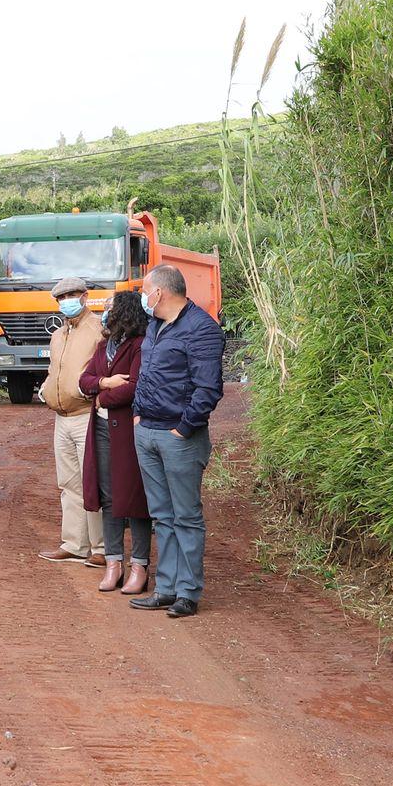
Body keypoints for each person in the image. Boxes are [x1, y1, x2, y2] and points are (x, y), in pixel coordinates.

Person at [129, 264, 225, 619]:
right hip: (148, 431)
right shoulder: (155, 324)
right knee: (162, 516)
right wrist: (139, 414)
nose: (143, 295)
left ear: (161, 292)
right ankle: (165, 588)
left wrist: (184, 428)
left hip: (179, 437)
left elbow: (208, 388)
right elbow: (148, 375)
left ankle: (188, 592)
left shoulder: (202, 330)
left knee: (186, 516)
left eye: (145, 289)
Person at [80, 290, 152, 594]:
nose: (105, 313)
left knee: (134, 498)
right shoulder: (102, 346)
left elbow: (136, 386)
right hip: (100, 429)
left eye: (111, 308)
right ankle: (113, 563)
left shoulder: (140, 346)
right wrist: (105, 384)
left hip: (128, 431)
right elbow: (84, 381)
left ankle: (139, 565)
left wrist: (101, 397)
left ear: (126, 313)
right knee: (108, 497)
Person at [36, 276, 104, 566]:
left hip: (86, 415)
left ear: (85, 296)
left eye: (71, 295)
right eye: (61, 298)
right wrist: (47, 387)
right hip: (61, 418)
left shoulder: (98, 329)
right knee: (69, 483)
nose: (66, 301)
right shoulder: (59, 333)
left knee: (94, 481)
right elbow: (57, 369)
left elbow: (103, 368)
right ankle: (74, 544)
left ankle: (101, 549)